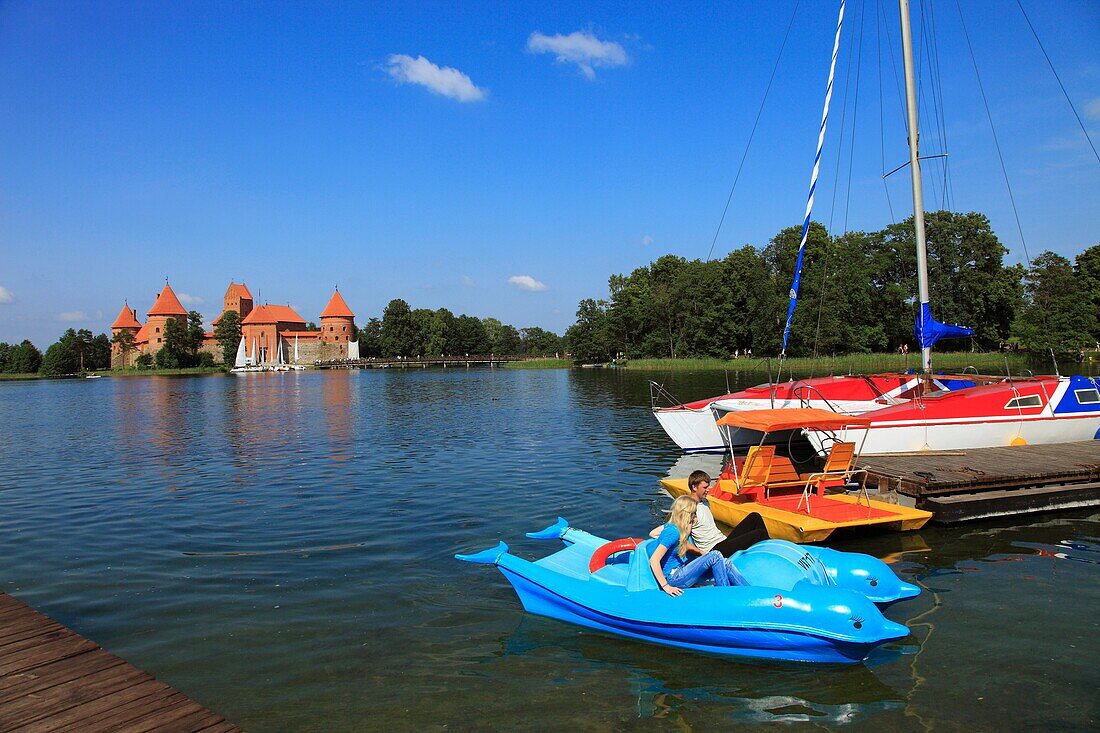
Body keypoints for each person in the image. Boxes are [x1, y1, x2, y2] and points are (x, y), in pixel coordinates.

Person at [653, 470, 770, 556]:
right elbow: (657, 532)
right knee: (758, 534)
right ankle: (769, 554)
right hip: (714, 550)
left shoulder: (704, 503)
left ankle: (769, 549)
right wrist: (699, 552)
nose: (708, 490)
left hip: (723, 541)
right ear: (694, 487)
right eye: (705, 487)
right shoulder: (688, 508)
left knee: (755, 517)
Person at [649, 495, 748, 596]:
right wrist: (666, 586)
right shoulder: (673, 532)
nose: (695, 517)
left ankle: (749, 592)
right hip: (674, 577)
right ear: (686, 514)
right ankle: (724, 595)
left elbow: (653, 533)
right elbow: (654, 560)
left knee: (725, 562)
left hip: (681, 570)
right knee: (716, 555)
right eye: (693, 513)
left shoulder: (672, 527)